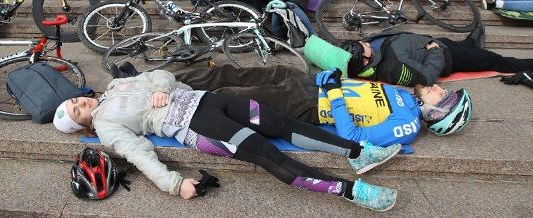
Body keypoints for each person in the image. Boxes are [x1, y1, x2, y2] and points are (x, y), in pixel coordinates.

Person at [53, 70, 401, 211]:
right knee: (270, 157)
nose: (81, 104)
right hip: (201, 127)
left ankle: (358, 152)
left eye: (75, 101)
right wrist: (173, 185)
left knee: (281, 122)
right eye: (77, 112)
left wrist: (161, 89)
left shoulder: (114, 86)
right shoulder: (107, 126)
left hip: (211, 99)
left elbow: (160, 74)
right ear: (82, 125)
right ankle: (352, 191)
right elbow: (138, 153)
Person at [173, 64, 473, 147]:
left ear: (439, 113)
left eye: (441, 95)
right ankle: (157, 80)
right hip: (309, 82)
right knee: (228, 71)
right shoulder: (406, 96)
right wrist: (331, 79)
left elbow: (353, 138)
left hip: (307, 103)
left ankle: (164, 98)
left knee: (229, 92)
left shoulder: (406, 125)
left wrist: (334, 94)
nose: (437, 87)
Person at [340, 25, 533, 87]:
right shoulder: (393, 68)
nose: (365, 43)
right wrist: (434, 50)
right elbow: (428, 77)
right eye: (362, 46)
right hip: (446, 56)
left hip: (434, 43)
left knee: (463, 45)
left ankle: (471, 43)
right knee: (495, 60)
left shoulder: (371, 56)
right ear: (365, 61)